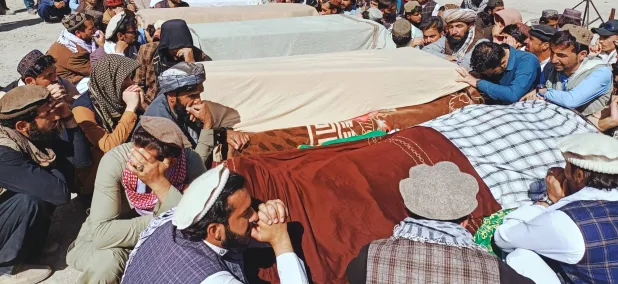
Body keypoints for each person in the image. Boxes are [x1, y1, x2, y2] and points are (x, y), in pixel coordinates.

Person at [66, 116, 206, 284]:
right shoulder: (116, 161)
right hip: (114, 244)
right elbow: (102, 234)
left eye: (145, 159)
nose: (136, 160)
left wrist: (159, 183)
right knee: (108, 264)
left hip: (164, 240)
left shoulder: (188, 161)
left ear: (170, 161)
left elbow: (202, 220)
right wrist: (165, 217)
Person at [347, 161, 532, 284]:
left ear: (408, 211)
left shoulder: (372, 254)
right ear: (465, 221)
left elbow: (353, 275)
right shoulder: (493, 269)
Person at [121, 166, 309, 284]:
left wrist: (268, 222)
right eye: (246, 213)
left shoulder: (175, 219)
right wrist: (281, 241)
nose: (255, 215)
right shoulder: (209, 278)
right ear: (215, 231)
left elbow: (233, 235)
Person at [495, 133, 618, 283]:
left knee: (520, 256)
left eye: (566, 166)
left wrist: (549, 201)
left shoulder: (566, 222)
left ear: (579, 175)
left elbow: (504, 238)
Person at [0, 86, 91, 284]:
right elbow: (59, 194)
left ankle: (30, 248)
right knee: (30, 199)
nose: (55, 116)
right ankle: (6, 268)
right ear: (22, 126)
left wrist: (69, 118)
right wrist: (56, 161)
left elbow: (81, 161)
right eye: (48, 113)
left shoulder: (33, 133)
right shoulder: (4, 153)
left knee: (44, 182)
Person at [143, 62, 249, 162]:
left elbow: (195, 135)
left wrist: (222, 133)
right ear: (172, 96)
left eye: (199, 94)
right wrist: (208, 124)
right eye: (192, 95)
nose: (199, 101)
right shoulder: (161, 124)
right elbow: (194, 167)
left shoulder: (178, 107)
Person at [522, 27, 612, 127]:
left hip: (584, 127)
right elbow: (541, 88)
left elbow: (571, 100)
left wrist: (544, 92)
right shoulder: (551, 67)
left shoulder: (600, 72)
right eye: (552, 53)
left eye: (561, 55)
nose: (554, 60)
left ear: (582, 55)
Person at [72, 55, 144, 155]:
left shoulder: (116, 98)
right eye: (125, 79)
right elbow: (107, 146)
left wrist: (141, 107)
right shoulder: (82, 109)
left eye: (130, 78)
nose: (131, 83)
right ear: (109, 82)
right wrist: (130, 109)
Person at [135, 19, 211, 106]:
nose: (177, 52)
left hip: (185, 104)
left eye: (181, 47)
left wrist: (190, 64)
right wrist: (146, 107)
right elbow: (137, 84)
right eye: (173, 49)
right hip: (152, 102)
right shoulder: (148, 51)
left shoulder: (196, 54)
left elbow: (204, 85)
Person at [456, 41, 540, 104]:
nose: (489, 76)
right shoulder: (490, 57)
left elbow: (513, 95)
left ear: (503, 63)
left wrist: (478, 83)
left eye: (492, 73)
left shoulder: (527, 62)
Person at [0, 50, 79, 103]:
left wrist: (67, 99)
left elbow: (79, 101)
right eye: (49, 75)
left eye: (55, 72)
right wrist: (46, 100)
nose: (56, 78)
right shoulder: (6, 98)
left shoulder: (61, 82)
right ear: (30, 82)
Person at [423, 8, 488, 70]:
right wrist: (446, 57)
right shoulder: (448, 37)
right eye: (451, 27)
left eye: (459, 26)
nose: (454, 31)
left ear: (470, 25)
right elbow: (426, 50)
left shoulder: (481, 43)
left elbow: (464, 66)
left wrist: (440, 59)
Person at [46, 13, 97, 93]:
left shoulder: (70, 39)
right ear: (78, 33)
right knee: (100, 80)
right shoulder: (75, 53)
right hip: (68, 85)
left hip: (77, 73)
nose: (95, 30)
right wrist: (102, 46)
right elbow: (97, 70)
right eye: (91, 29)